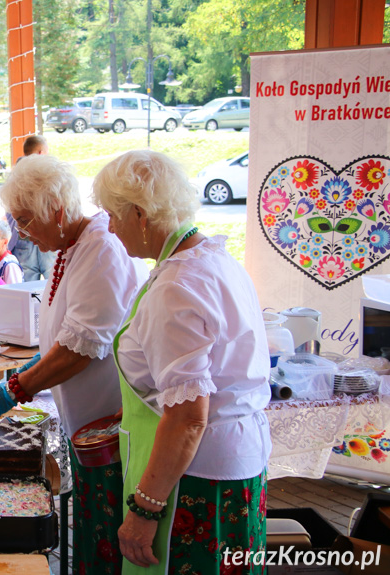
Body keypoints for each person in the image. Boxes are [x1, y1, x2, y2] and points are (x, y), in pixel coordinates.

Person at [0, 154, 146, 574]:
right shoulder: (69, 247)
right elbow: (63, 337)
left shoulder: (101, 249)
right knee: (90, 533)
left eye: (26, 220)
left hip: (109, 428)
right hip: (85, 423)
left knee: (108, 540)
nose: (21, 231)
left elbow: (81, 348)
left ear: (58, 212)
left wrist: (14, 389)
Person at [93, 150, 270, 574]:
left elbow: (189, 417)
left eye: (113, 217)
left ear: (139, 214)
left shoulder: (177, 286)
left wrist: (145, 509)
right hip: (237, 457)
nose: (111, 229)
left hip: (198, 476)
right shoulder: (211, 259)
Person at [8, 135, 56, 281]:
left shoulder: (14, 174)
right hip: (46, 234)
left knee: (25, 287)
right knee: (53, 283)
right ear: (41, 152)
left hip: (22, 236)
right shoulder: (47, 173)